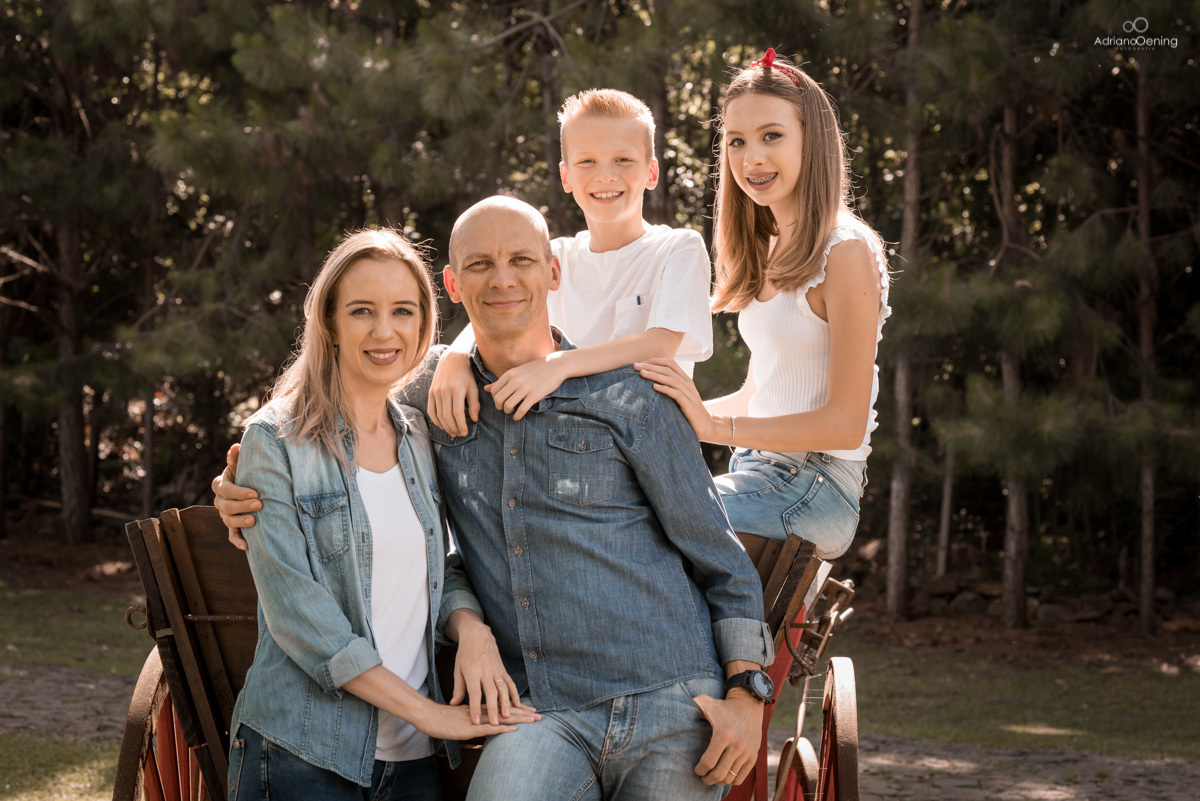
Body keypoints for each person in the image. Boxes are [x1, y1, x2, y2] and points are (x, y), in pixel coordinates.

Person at [216, 197, 775, 800]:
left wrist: (746, 694)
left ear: (553, 272)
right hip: (541, 709)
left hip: (670, 695)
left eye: (521, 261)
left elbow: (719, 555)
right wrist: (235, 487)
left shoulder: (630, 395)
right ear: (453, 285)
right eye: (480, 264)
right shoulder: (421, 399)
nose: (503, 278)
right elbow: (319, 431)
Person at [224, 229, 537, 801]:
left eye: (403, 311)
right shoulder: (276, 439)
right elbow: (301, 619)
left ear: (424, 323)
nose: (385, 331)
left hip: (412, 763)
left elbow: (434, 569)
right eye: (362, 311)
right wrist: (432, 714)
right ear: (330, 323)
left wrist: (471, 629)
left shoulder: (418, 437)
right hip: (305, 750)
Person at [637, 48, 891, 560]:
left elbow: (844, 420)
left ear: (812, 141)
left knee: (638, 527)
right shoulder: (769, 247)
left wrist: (715, 429)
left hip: (816, 484)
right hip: (755, 470)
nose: (751, 158)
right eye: (737, 141)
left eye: (771, 136)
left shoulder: (846, 252)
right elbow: (761, 394)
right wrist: (666, 417)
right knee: (617, 504)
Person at [426, 88, 714, 436]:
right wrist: (454, 358)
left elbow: (660, 344)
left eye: (623, 159)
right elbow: (498, 309)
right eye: (587, 161)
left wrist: (557, 366)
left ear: (651, 173)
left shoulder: (677, 248)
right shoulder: (554, 256)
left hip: (649, 438)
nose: (605, 176)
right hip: (563, 439)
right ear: (565, 176)